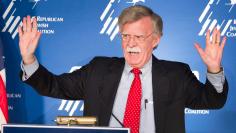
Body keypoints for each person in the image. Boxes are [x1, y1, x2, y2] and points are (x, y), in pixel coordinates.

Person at [19, 5, 228, 133]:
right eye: (126, 36)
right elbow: (54, 86)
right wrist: (28, 58)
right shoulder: (98, 69)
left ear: (155, 40)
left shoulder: (176, 74)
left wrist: (213, 68)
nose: (130, 43)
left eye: (138, 37)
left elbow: (212, 100)